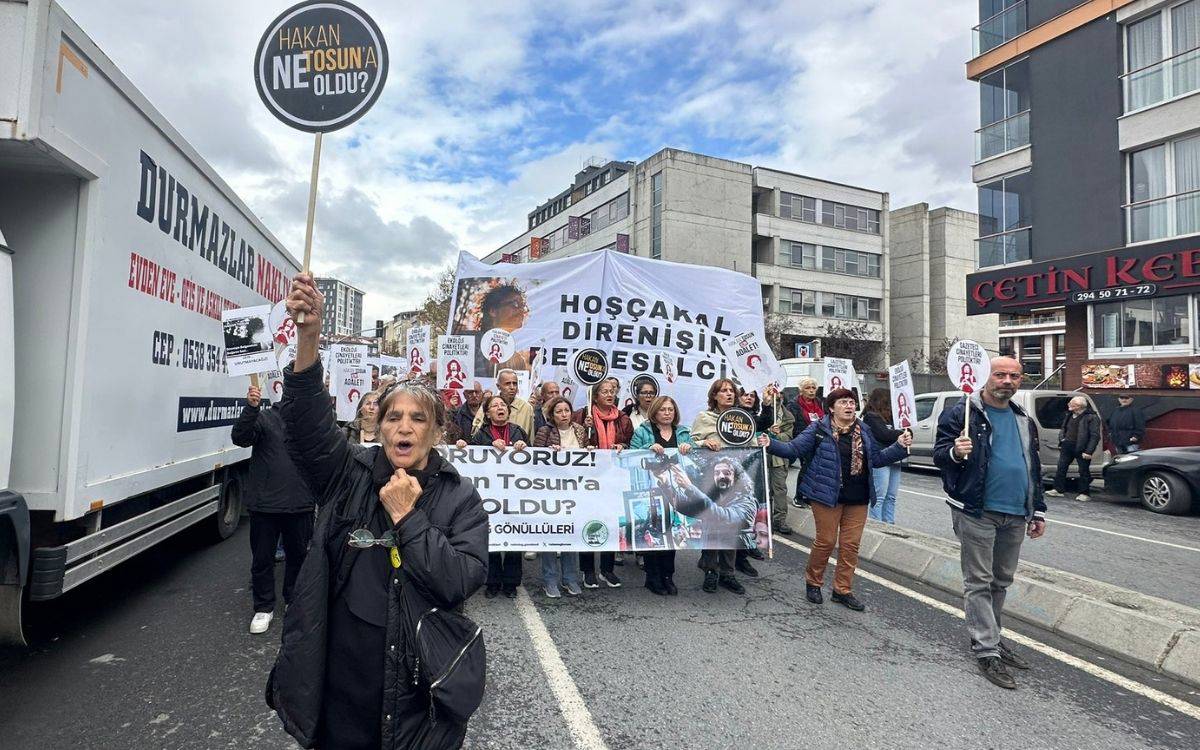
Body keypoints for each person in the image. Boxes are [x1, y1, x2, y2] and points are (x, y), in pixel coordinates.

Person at [268, 274, 487, 749]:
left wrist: (409, 519)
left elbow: (459, 580)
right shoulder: (349, 474)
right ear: (379, 426)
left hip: (415, 699)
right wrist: (308, 338)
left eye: (417, 418)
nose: (404, 427)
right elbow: (306, 428)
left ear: (436, 432)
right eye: (393, 417)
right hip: (341, 691)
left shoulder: (459, 498)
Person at [933, 356, 1047, 690]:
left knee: (1001, 581)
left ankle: (992, 639)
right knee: (979, 581)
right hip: (976, 510)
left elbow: (1032, 468)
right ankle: (986, 650)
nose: (1007, 381)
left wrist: (1037, 510)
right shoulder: (962, 413)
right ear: (987, 377)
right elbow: (940, 455)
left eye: (1014, 376)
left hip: (1015, 513)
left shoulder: (1023, 418)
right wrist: (955, 451)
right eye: (1000, 375)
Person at [760, 388, 910, 611]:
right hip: (826, 495)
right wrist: (770, 443)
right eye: (843, 402)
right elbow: (793, 449)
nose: (849, 406)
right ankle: (813, 582)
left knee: (850, 546)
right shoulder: (819, 428)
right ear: (831, 407)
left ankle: (842, 590)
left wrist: (899, 447)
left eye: (851, 402)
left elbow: (877, 459)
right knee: (826, 541)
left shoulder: (864, 429)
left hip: (858, 497)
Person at [230, 384, 316, 635]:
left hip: (300, 503)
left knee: (298, 556)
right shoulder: (264, 417)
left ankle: (293, 599)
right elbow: (240, 438)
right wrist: (251, 408)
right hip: (265, 505)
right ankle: (264, 607)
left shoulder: (311, 421)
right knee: (262, 559)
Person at [691, 379, 765, 579]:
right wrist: (704, 441)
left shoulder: (742, 419)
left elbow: (751, 447)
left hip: (736, 479)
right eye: (723, 391)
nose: (729, 394)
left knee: (731, 527)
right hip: (711, 478)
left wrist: (762, 442)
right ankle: (710, 570)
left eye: (731, 391)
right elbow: (692, 442)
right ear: (714, 395)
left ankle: (728, 573)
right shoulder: (704, 417)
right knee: (712, 524)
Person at [458, 395, 528, 598]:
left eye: (503, 405)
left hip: (515, 494)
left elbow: (533, 461)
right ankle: (493, 582)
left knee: (516, 537)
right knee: (493, 537)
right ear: (487, 413)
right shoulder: (482, 434)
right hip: (491, 495)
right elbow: (472, 458)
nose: (500, 408)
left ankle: (511, 583)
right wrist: (464, 445)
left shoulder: (518, 431)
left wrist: (523, 446)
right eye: (495, 406)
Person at [655, 456, 756, 594]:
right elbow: (684, 505)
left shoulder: (746, 500)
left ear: (737, 477)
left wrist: (690, 488)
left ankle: (727, 575)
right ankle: (711, 571)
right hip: (711, 538)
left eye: (727, 473)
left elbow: (724, 516)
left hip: (733, 539)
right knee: (713, 530)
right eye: (717, 473)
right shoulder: (712, 494)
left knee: (725, 529)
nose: (721, 476)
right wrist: (665, 483)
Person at [629, 395, 693, 595]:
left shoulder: (683, 433)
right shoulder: (643, 431)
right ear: (654, 412)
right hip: (651, 492)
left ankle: (668, 576)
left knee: (672, 534)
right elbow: (632, 457)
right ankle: (652, 577)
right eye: (663, 409)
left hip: (674, 493)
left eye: (670, 410)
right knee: (654, 534)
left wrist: (689, 448)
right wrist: (646, 449)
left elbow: (693, 460)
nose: (667, 413)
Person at [533, 396, 593, 598]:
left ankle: (570, 579)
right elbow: (536, 459)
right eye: (559, 411)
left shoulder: (580, 430)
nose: (564, 414)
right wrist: (549, 453)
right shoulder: (545, 431)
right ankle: (550, 580)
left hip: (575, 490)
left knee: (570, 534)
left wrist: (590, 451)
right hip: (551, 490)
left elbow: (586, 453)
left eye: (566, 410)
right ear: (552, 414)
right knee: (551, 533)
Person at [574, 379, 632, 587]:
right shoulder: (583, 414)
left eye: (612, 391)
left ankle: (607, 569)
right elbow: (574, 439)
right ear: (595, 396)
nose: (609, 394)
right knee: (588, 521)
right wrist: (583, 428)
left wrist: (622, 445)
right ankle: (587, 570)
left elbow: (630, 442)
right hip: (589, 479)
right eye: (604, 391)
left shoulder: (623, 419)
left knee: (611, 522)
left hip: (613, 479)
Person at [754, 386, 795, 535]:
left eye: (777, 397)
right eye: (771, 396)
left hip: (778, 457)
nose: (775, 399)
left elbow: (788, 438)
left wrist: (778, 435)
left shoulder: (787, 417)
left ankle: (780, 520)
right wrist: (766, 431)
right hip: (761, 455)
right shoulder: (759, 412)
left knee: (779, 490)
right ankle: (764, 519)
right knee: (763, 489)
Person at [1046, 396, 1100, 502]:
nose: (1068, 405)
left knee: (1083, 470)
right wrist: (1062, 439)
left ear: (1079, 406)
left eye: (1071, 404)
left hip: (1082, 447)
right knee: (1061, 467)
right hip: (1067, 445)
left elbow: (1095, 436)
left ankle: (1084, 493)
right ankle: (1058, 489)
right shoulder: (1069, 415)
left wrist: (1089, 451)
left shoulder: (1091, 417)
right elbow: (1064, 428)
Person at [862, 389, 904, 524]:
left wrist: (901, 433)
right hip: (880, 459)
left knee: (891, 497)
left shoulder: (892, 417)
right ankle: (877, 525)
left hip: (894, 458)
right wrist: (901, 434)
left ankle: (890, 524)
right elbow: (884, 435)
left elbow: (901, 433)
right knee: (879, 497)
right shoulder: (871, 417)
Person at [784, 377, 825, 509]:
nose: (811, 391)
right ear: (801, 390)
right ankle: (799, 496)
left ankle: (808, 496)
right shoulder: (794, 404)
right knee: (806, 467)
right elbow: (791, 423)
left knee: (813, 469)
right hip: (801, 440)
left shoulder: (818, 402)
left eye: (813, 388)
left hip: (817, 439)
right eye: (808, 388)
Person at [472, 368, 534, 437]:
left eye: (515, 383)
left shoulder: (526, 408)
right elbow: (475, 434)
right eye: (507, 384)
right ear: (498, 386)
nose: (512, 387)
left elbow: (530, 439)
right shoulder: (488, 405)